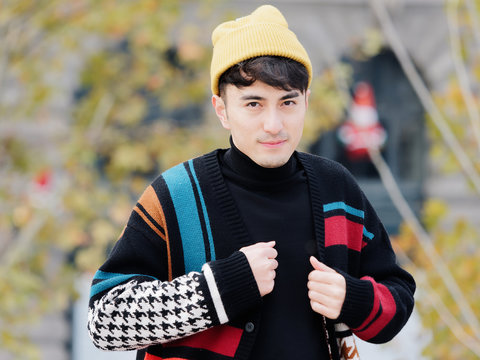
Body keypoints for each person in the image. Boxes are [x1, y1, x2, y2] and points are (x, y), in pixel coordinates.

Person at [87, 5, 415, 360]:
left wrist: (353, 299)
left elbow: (397, 300)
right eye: (254, 104)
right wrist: (218, 290)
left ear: (307, 101)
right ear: (222, 110)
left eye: (287, 102)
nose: (273, 124)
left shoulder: (337, 188)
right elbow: (104, 321)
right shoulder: (177, 195)